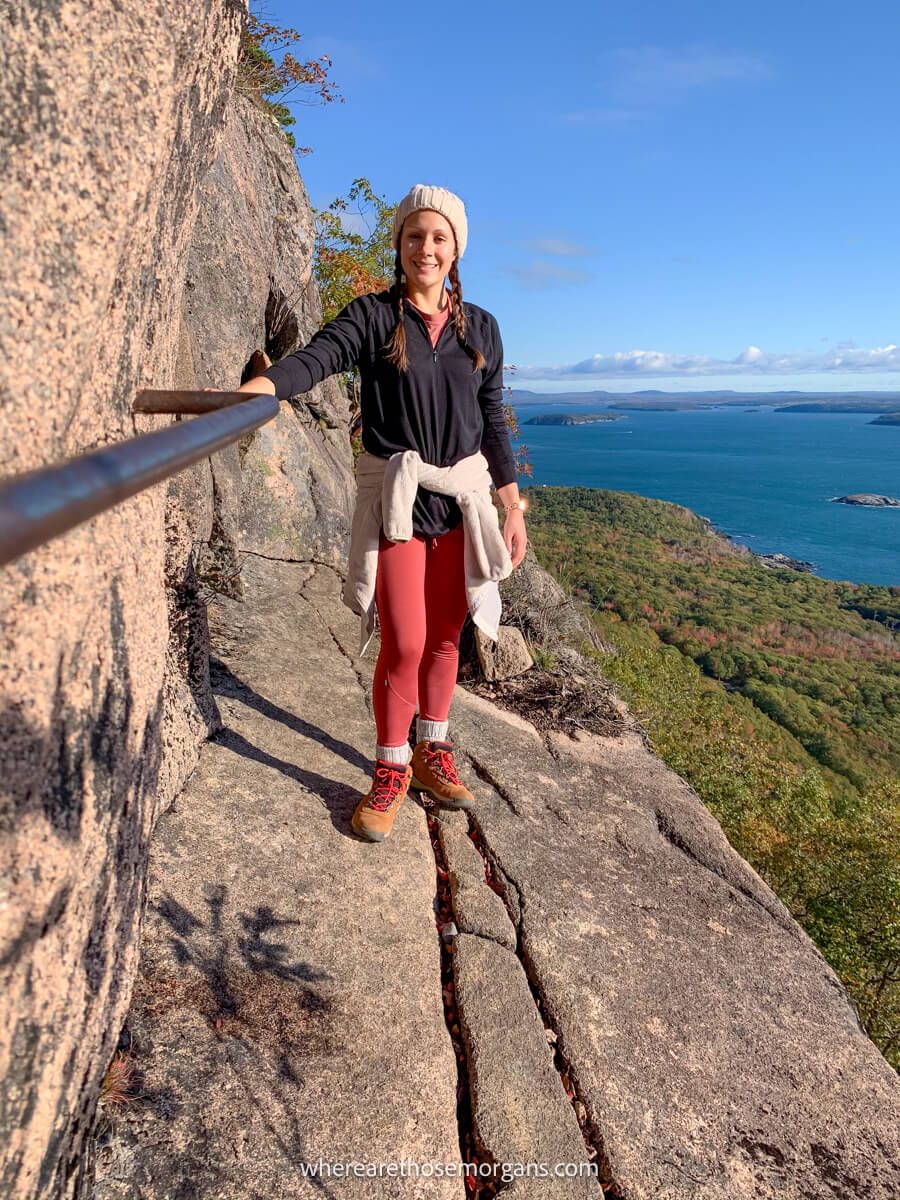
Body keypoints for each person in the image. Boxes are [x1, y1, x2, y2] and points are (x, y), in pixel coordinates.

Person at [236, 183, 528, 841]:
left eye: (440, 237)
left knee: (449, 638)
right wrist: (263, 388)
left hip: (462, 504)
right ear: (399, 245)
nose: (427, 248)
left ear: (457, 250)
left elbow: (492, 422)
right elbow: (319, 358)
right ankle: (391, 768)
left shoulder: (481, 328)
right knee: (406, 640)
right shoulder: (374, 317)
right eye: (415, 236)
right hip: (398, 503)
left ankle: (432, 750)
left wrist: (513, 508)